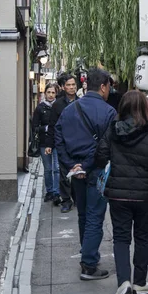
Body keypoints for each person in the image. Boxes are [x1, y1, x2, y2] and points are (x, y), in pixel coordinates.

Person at [95, 89, 148, 294]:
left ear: (122, 108)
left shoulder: (113, 131)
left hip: (118, 196)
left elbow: (100, 156)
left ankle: (124, 282)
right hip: (145, 198)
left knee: (121, 238)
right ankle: (139, 282)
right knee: (143, 238)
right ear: (145, 108)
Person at [55, 68, 116, 280]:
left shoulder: (70, 110)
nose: (109, 90)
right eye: (109, 86)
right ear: (102, 86)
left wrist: (72, 165)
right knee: (95, 216)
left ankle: (88, 252)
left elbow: (58, 137)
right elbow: (106, 147)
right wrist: (86, 165)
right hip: (97, 172)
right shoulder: (108, 112)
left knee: (83, 214)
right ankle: (89, 265)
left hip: (76, 172)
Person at [44, 74, 78, 212]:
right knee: (63, 173)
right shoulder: (58, 104)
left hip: (78, 143)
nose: (71, 87)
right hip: (62, 143)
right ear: (63, 87)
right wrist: (49, 144)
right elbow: (52, 126)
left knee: (77, 172)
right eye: (68, 85)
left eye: (73, 85)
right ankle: (66, 200)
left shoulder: (81, 102)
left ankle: (77, 198)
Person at [32, 84, 59, 203]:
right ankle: (50, 191)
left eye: (53, 92)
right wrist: (46, 128)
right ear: (45, 93)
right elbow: (34, 127)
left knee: (57, 168)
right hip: (44, 142)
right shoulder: (40, 108)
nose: (51, 95)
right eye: (49, 92)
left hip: (58, 142)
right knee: (48, 169)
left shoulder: (59, 106)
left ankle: (57, 192)